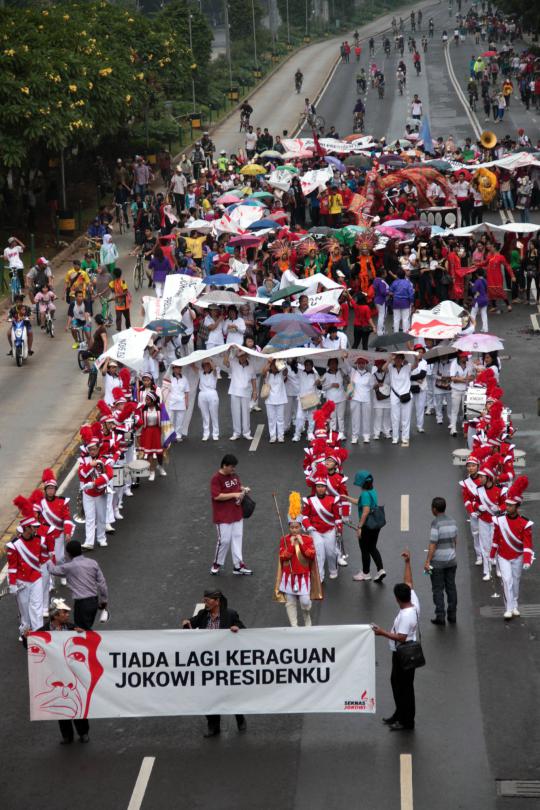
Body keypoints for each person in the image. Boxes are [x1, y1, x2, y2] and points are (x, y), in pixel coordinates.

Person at [182, 589, 247, 737]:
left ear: (217, 601)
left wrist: (237, 629)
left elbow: (244, 630)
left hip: (226, 662)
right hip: (208, 664)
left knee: (231, 693)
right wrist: (186, 623)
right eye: (204, 600)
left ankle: (239, 717)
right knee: (208, 695)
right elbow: (191, 623)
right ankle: (213, 725)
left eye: (207, 600)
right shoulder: (203, 615)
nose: (205, 603)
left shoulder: (230, 614)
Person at [372, 550, 419, 731]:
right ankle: (399, 713)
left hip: (404, 652)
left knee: (404, 688)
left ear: (397, 598)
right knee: (396, 682)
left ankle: (407, 721)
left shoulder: (407, 616)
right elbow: (409, 582)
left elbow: (401, 637)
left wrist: (382, 632)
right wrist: (407, 563)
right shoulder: (412, 600)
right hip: (400, 652)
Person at [32, 597, 91, 744]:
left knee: (77, 703)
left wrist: (82, 634)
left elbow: (87, 642)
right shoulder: (43, 632)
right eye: (64, 612)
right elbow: (30, 645)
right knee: (60, 706)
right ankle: (67, 736)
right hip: (55, 673)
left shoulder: (72, 628)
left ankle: (83, 732)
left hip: (72, 673)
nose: (67, 615)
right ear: (55, 615)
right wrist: (27, 637)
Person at [490, 476, 534, 620]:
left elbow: (527, 543)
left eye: (510, 505)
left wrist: (527, 560)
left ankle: (514, 604)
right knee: (507, 580)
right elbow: (496, 539)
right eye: (506, 505)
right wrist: (492, 555)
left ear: (517, 506)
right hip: (503, 556)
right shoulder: (499, 520)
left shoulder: (525, 523)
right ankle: (508, 608)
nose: (507, 507)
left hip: (518, 556)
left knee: (515, 581)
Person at [277, 493, 321, 627]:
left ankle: (307, 617)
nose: (294, 530)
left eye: (297, 527)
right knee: (290, 603)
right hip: (289, 576)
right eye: (292, 527)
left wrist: (301, 543)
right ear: (289, 527)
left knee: (305, 603)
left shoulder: (308, 539)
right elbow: (283, 557)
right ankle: (294, 627)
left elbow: (311, 555)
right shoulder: (284, 540)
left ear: (301, 527)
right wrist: (291, 545)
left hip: (303, 576)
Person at [7, 496, 47, 637]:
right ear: (26, 528)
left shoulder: (39, 540)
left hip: (36, 577)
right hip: (22, 580)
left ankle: (39, 634)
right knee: (24, 609)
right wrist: (12, 583)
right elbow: (12, 567)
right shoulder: (14, 545)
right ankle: (25, 631)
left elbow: (42, 558)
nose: (36, 529)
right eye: (33, 527)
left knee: (36, 607)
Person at [48, 540, 108, 630]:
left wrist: (48, 559)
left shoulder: (69, 567)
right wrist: (104, 600)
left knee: (81, 630)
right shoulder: (93, 563)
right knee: (86, 627)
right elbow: (102, 583)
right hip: (94, 601)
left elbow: (52, 570)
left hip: (82, 604)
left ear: (68, 554)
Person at [210, 454, 252, 576]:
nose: (234, 469)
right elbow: (217, 496)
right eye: (232, 467)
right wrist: (234, 494)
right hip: (223, 516)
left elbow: (238, 487)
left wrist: (243, 489)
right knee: (224, 540)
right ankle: (217, 563)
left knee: (237, 538)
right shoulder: (216, 479)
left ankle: (238, 566)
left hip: (237, 513)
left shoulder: (234, 476)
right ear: (224, 466)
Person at [301, 476, 343, 582]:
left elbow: (337, 517)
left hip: (329, 530)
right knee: (319, 553)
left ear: (326, 488)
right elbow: (304, 516)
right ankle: (320, 575)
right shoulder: (309, 500)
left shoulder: (333, 500)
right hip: (315, 531)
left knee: (331, 552)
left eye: (322, 487)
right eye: (318, 486)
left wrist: (339, 529)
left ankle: (333, 570)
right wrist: (308, 526)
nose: (320, 489)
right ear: (315, 487)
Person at [347, 470, 386, 582]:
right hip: (375, 525)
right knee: (372, 547)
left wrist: (359, 527)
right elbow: (360, 502)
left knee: (364, 550)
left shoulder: (364, 494)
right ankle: (380, 569)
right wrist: (347, 498)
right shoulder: (372, 491)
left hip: (367, 526)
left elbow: (365, 510)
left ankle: (366, 573)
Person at [425, 497, 458, 625]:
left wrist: (428, 561)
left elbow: (433, 544)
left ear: (434, 509)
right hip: (451, 561)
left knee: (437, 589)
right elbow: (455, 541)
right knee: (451, 588)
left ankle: (440, 616)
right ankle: (452, 615)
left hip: (438, 563)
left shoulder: (435, 523)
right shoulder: (453, 521)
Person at [223, 349, 256, 441]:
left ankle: (246, 433)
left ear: (246, 356)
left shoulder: (251, 365)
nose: (242, 357)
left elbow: (253, 379)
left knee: (246, 413)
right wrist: (228, 351)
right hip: (234, 391)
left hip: (246, 392)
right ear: (238, 357)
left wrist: (255, 392)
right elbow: (225, 362)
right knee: (235, 413)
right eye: (240, 356)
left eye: (244, 356)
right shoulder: (233, 362)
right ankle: (236, 433)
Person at [385, 353, 416, 447]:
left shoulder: (407, 367)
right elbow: (383, 369)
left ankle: (405, 438)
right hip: (394, 395)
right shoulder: (390, 367)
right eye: (396, 358)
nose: (398, 360)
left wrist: (416, 357)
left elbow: (416, 365)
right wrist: (390, 359)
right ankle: (395, 438)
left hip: (406, 394)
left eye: (400, 358)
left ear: (403, 359)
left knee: (406, 418)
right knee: (395, 417)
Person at [262, 359, 288, 443]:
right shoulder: (267, 374)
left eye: (275, 365)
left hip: (280, 399)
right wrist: (269, 362)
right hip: (269, 400)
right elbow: (263, 371)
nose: (274, 367)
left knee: (280, 419)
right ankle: (272, 436)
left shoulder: (281, 374)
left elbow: (286, 371)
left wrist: (280, 362)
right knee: (271, 419)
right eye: (273, 365)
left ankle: (281, 436)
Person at [349, 357, 373, 444]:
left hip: (366, 399)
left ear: (365, 364)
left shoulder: (369, 375)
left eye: (363, 363)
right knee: (355, 418)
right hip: (355, 398)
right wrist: (344, 357)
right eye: (359, 363)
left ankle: (366, 436)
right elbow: (346, 366)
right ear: (357, 364)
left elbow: (371, 386)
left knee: (366, 418)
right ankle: (355, 436)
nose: (361, 365)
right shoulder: (352, 372)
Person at [197, 358, 220, 441]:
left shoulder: (214, 372)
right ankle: (206, 433)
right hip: (202, 394)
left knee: (214, 415)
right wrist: (203, 358)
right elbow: (192, 366)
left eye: (208, 365)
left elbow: (214, 368)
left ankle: (215, 433)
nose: (206, 367)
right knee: (204, 415)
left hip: (212, 393)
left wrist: (209, 360)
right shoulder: (200, 372)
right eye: (205, 365)